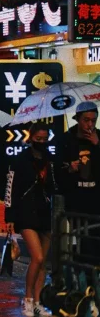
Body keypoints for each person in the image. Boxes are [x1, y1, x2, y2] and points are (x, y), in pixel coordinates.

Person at [5, 123, 54, 317]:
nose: (41, 143)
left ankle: (38, 303)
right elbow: (10, 188)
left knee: (43, 262)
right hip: (25, 213)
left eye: (44, 139)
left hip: (45, 212)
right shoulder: (20, 160)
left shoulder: (50, 159)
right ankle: (27, 300)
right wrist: (9, 216)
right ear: (31, 137)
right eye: (38, 139)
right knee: (38, 257)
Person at [55, 101, 100, 262]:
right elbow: (57, 169)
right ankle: (84, 279)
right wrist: (70, 168)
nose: (90, 124)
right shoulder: (66, 140)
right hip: (76, 200)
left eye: (93, 120)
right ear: (77, 119)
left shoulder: (98, 137)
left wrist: (97, 145)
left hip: (96, 199)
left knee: (95, 240)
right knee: (82, 241)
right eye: (86, 120)